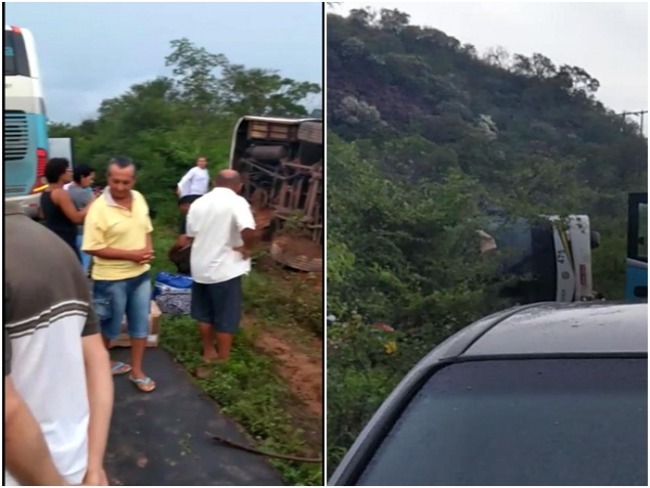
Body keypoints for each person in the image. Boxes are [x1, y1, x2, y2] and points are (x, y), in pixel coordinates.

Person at [5, 201, 113, 486]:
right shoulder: (59, 249)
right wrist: (94, 467)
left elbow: (7, 411)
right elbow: (98, 359)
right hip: (73, 464)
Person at [82, 156, 157, 393]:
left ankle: (137, 371)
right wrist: (131, 255)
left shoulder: (140, 199)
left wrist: (147, 250)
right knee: (108, 328)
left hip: (140, 276)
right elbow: (92, 247)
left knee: (139, 325)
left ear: (133, 180)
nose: (120, 187)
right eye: (115, 182)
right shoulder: (98, 208)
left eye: (125, 182)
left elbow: (146, 228)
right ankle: (99, 368)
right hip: (110, 279)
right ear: (108, 178)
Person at [186, 169, 257, 362]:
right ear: (239, 186)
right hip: (225, 270)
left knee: (204, 314)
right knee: (226, 317)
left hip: (200, 267)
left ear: (214, 184)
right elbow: (249, 229)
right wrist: (248, 248)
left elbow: (191, 236)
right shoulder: (237, 202)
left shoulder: (198, 203)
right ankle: (223, 359)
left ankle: (208, 352)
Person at [39, 158, 95, 259]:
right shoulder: (60, 193)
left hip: (53, 240)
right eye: (68, 170)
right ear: (60, 173)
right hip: (66, 241)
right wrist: (92, 202)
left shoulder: (45, 193)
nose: (71, 173)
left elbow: (42, 214)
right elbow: (76, 218)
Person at [68, 163, 97, 274]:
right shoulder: (82, 193)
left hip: (74, 232)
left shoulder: (69, 190)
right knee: (83, 265)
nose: (92, 181)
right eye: (90, 178)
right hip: (83, 233)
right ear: (82, 177)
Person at [168, 194, 201, 275]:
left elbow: (182, 242)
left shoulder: (189, 218)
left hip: (191, 261)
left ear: (187, 205)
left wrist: (171, 252)